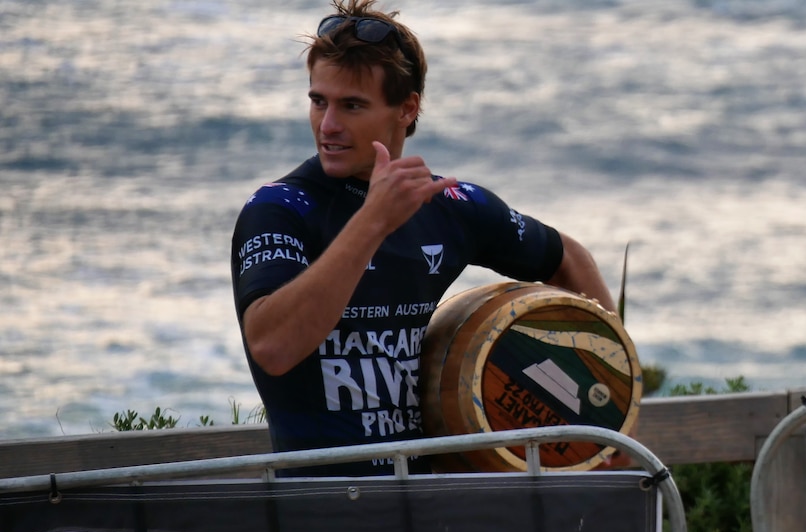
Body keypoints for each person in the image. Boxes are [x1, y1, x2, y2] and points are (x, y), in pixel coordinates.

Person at [231, 0, 617, 477]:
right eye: (318, 101)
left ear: (406, 108)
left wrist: (614, 405)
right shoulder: (280, 209)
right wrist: (372, 222)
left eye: (352, 105)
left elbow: (568, 258)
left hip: (433, 508)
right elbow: (272, 346)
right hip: (320, 514)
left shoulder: (450, 206)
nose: (327, 125)